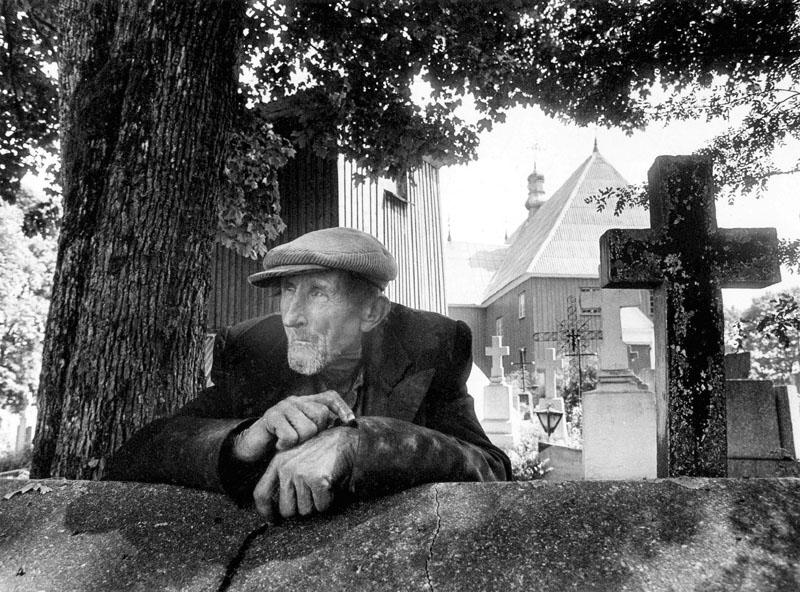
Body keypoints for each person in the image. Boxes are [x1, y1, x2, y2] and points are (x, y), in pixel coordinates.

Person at [108, 227, 511, 520]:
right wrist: (244, 440)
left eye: (317, 292)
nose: (292, 316)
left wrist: (362, 444)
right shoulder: (252, 348)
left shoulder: (428, 344)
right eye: (288, 290)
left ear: (371, 312)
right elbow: (140, 454)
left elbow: (490, 469)